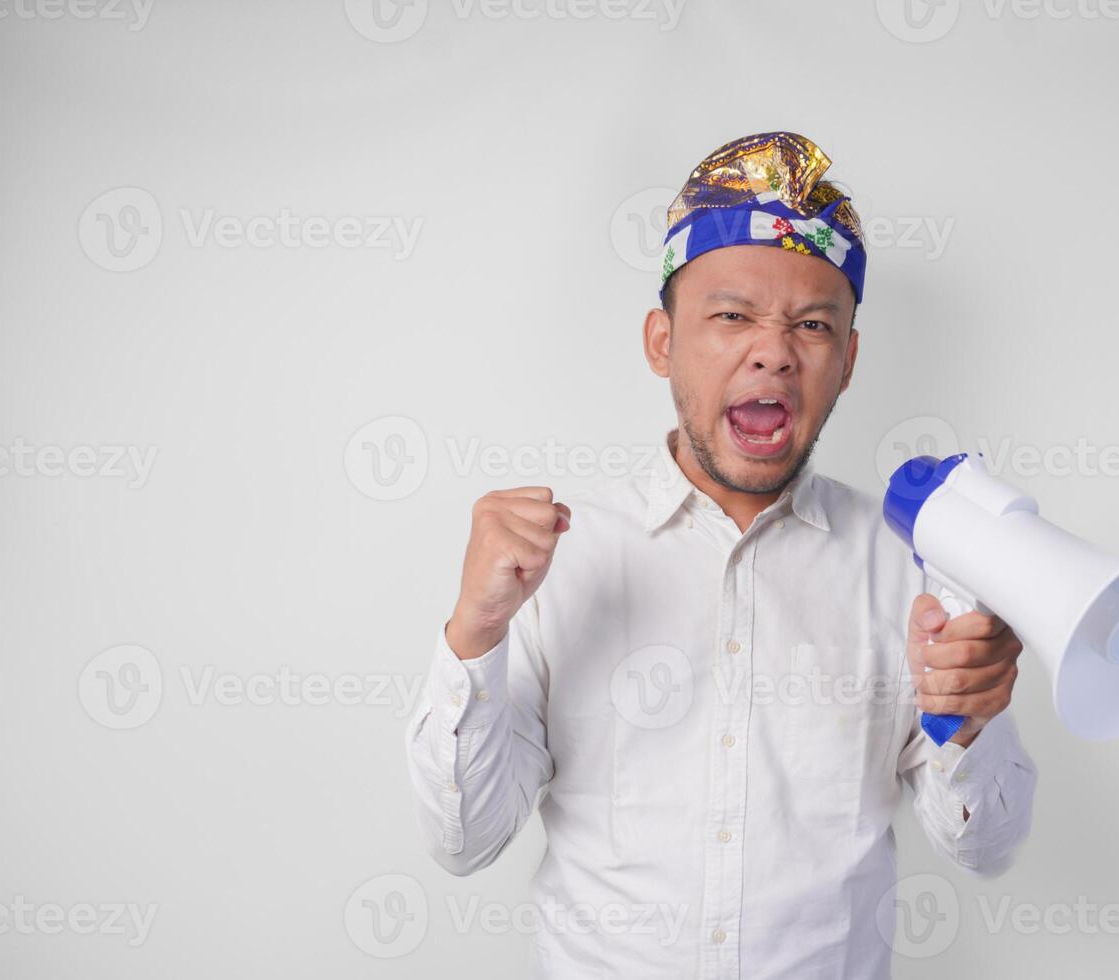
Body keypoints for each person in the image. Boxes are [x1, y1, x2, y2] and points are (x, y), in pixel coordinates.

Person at [405, 131, 1037, 979]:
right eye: (732, 315)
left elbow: (986, 849)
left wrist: (972, 719)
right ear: (663, 341)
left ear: (847, 361)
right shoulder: (558, 563)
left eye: (812, 324)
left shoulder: (908, 571)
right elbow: (465, 841)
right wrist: (475, 631)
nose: (773, 349)